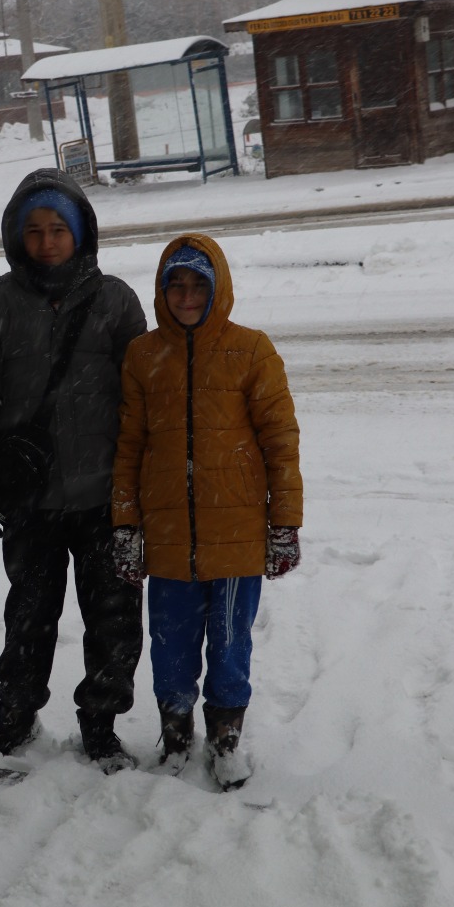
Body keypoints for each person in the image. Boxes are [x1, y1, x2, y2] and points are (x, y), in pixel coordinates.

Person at [0, 168, 147, 771]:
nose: (46, 242)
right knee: (28, 618)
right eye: (33, 230)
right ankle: (15, 720)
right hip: (28, 498)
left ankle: (101, 726)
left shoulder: (115, 300)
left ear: (80, 231)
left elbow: (144, 403)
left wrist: (148, 486)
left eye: (58, 229)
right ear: (16, 234)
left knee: (114, 620)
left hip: (105, 497)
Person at [110, 234, 302, 789]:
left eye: (199, 284)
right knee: (170, 646)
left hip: (237, 533)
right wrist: (126, 524)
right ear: (161, 290)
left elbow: (281, 441)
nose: (188, 296)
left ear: (219, 288)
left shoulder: (251, 350)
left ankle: (225, 739)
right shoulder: (143, 355)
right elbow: (129, 446)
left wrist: (285, 523)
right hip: (168, 533)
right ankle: (175, 736)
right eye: (177, 284)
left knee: (230, 644)